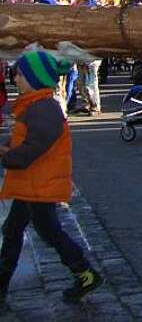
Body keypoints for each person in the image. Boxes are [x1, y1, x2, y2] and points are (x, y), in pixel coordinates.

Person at [0, 51, 104, 306]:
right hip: (32, 183)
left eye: (20, 74)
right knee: (15, 231)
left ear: (34, 79)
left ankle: (85, 273)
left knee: (49, 232)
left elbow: (31, 150)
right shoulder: (34, 105)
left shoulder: (43, 108)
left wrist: (7, 156)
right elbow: (22, 141)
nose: (15, 78)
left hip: (39, 183)